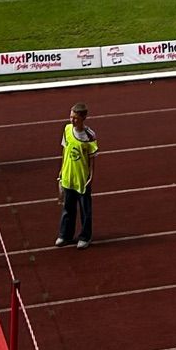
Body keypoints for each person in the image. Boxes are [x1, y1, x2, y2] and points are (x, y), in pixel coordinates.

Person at [56, 102, 99, 249]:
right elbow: (64, 151)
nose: (72, 120)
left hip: (82, 178)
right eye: (70, 117)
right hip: (69, 175)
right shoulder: (67, 130)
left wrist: (91, 176)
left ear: (83, 117)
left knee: (85, 210)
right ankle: (65, 235)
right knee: (68, 207)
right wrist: (61, 171)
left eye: (75, 118)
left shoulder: (89, 136)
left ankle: (85, 236)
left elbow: (92, 157)